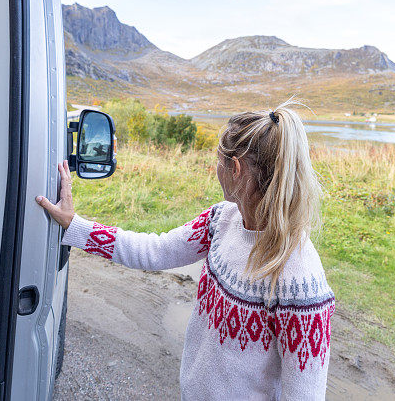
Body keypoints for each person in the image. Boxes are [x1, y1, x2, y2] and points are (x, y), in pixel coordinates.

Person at [36, 101, 334, 400]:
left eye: (218, 161)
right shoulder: (222, 220)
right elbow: (155, 250)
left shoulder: (300, 282)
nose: (215, 169)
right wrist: (75, 226)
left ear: (235, 168)